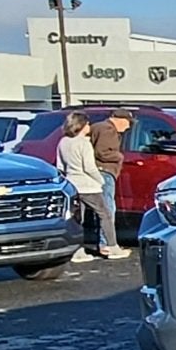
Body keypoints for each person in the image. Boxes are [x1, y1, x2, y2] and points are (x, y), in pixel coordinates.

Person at [56, 112, 129, 262]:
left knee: (78, 218)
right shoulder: (84, 143)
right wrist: (100, 181)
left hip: (72, 184)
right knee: (105, 214)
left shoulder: (63, 142)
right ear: (82, 126)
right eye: (87, 124)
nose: (89, 126)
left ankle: (77, 251)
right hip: (88, 186)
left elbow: (60, 166)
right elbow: (89, 167)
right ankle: (112, 247)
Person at [89, 107, 131, 247]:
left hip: (96, 171)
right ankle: (107, 244)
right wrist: (120, 157)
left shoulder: (98, 127)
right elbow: (103, 152)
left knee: (102, 208)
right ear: (120, 120)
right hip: (105, 171)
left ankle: (104, 242)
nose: (128, 127)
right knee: (107, 209)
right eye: (128, 122)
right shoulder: (108, 130)